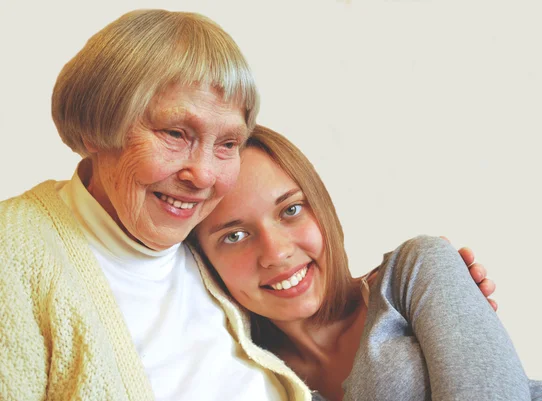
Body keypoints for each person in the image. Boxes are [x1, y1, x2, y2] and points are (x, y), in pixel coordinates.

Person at [0, 8, 500, 401]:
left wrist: (412, 298)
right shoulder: (18, 253)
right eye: (176, 133)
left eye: (226, 143)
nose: (203, 176)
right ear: (94, 128)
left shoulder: (193, 252)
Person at [195, 125, 542, 401]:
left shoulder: (415, 271)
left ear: (322, 208)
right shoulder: (245, 378)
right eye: (235, 236)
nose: (276, 252)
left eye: (291, 210)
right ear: (205, 263)